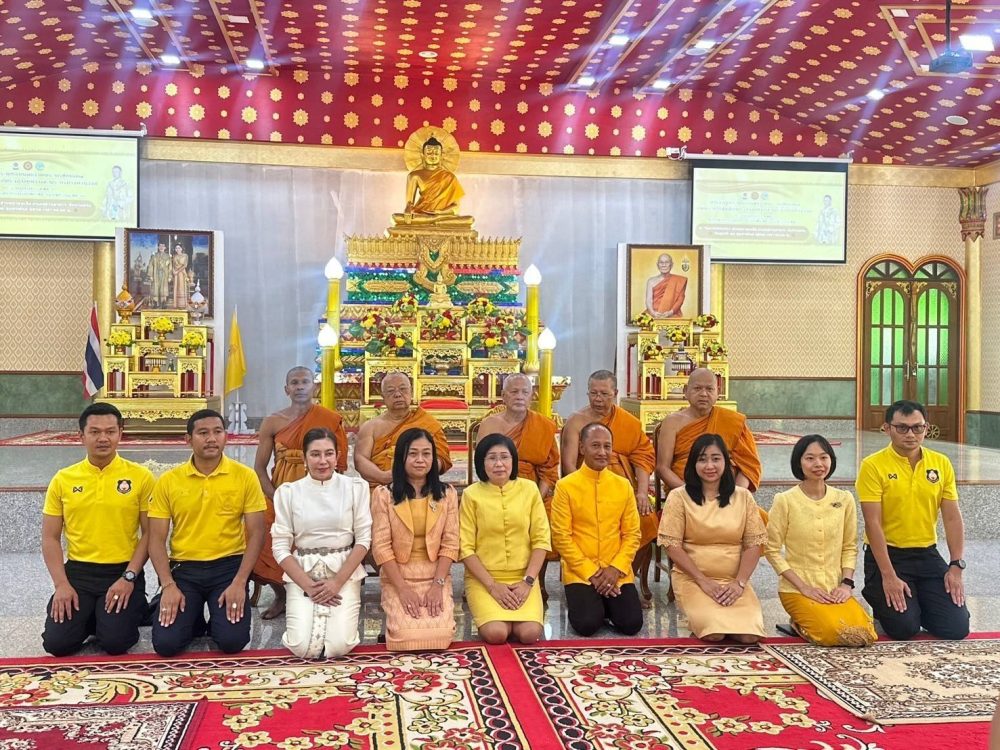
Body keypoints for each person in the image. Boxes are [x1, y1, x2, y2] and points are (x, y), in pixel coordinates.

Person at [148, 409, 266, 656]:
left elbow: (256, 533)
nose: (211, 438)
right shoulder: (169, 481)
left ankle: (213, 618)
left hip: (229, 568)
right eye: (203, 433)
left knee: (232, 641)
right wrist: (168, 585)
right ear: (188, 439)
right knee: (166, 644)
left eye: (217, 432)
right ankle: (189, 616)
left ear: (226, 436)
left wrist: (240, 582)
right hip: (184, 569)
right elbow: (156, 539)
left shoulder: (245, 476)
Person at [40, 403, 153, 656]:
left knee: (115, 643)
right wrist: (61, 585)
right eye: (95, 432)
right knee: (57, 644)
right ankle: (96, 614)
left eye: (110, 431)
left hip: (122, 571)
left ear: (120, 434)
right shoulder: (63, 479)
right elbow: (49, 538)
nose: (103, 438)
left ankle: (127, 609)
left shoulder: (141, 477)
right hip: (78, 573)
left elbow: (150, 534)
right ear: (81, 436)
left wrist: (129, 578)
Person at [856, 400, 970, 641]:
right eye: (902, 428)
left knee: (956, 628)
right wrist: (888, 576)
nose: (910, 434)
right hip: (888, 555)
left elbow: (952, 517)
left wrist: (956, 566)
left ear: (926, 428)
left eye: (917, 427)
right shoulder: (872, 465)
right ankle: (880, 596)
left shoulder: (941, 463)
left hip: (927, 554)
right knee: (904, 628)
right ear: (887, 428)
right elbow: (872, 523)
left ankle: (918, 603)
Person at [252, 366, 349, 620]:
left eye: (305, 382)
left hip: (321, 495)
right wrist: (277, 498)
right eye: (294, 383)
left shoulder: (329, 419)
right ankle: (281, 594)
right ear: (286, 389)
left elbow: (338, 466)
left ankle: (319, 589)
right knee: (259, 531)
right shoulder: (273, 422)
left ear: (314, 387)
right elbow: (259, 469)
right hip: (280, 495)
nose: (300, 387)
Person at [765, 435, 876, 646]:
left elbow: (849, 547)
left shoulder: (844, 499)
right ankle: (798, 622)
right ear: (798, 462)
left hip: (835, 589)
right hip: (796, 589)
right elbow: (771, 550)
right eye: (810, 458)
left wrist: (846, 585)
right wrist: (804, 587)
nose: (818, 464)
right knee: (834, 633)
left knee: (864, 634)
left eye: (823, 457)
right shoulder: (785, 500)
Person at [271, 428, 371, 658]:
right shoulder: (288, 492)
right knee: (301, 647)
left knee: (340, 646)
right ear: (304, 458)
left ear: (338, 456)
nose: (323, 461)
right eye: (315, 454)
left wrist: (337, 582)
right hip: (303, 572)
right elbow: (280, 547)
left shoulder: (355, 488)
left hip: (344, 570)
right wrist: (307, 585)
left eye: (329, 454)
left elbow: (364, 540)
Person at [658, 434, 767, 642]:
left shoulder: (743, 497)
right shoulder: (679, 497)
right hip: (693, 580)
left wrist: (739, 583)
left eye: (716, 458)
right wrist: (703, 581)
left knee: (750, 636)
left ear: (726, 462)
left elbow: (754, 544)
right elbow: (672, 546)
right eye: (702, 459)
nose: (709, 465)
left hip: (734, 582)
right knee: (714, 632)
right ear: (693, 464)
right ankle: (697, 617)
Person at [370, 428, 459, 651]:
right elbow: (381, 547)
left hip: (435, 576)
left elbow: (451, 543)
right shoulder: (384, 495)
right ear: (402, 457)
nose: (420, 460)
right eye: (413, 454)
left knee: (441, 635)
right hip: (399, 576)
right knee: (403, 635)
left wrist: (438, 585)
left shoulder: (447, 494)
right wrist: (402, 589)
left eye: (426, 454)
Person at [551, 423, 643, 636]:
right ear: (582, 448)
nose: (602, 452)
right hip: (581, 570)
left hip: (616, 570)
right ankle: (595, 602)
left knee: (631, 624)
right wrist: (592, 573)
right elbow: (561, 537)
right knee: (587, 625)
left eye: (607, 446)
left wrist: (615, 569)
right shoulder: (565, 486)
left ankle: (604, 602)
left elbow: (632, 534)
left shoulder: (623, 485)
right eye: (595, 445)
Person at [460, 434, 550, 644]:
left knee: (529, 634)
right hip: (484, 580)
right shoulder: (471, 494)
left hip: (523, 578)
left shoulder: (530, 489)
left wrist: (528, 582)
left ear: (513, 460)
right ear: (481, 462)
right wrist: (492, 586)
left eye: (504, 457)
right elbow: (465, 548)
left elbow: (541, 540)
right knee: (496, 633)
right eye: (492, 458)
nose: (499, 464)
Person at [477, 373, 560, 589]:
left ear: (532, 396)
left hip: (535, 491)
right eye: (514, 392)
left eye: (525, 392)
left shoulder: (543, 425)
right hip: (495, 489)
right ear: (504, 396)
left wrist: (535, 499)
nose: (519, 396)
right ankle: (488, 579)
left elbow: (549, 469)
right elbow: (482, 465)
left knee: (546, 520)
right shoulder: (490, 424)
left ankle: (537, 581)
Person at [656, 368, 761, 491]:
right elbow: (662, 468)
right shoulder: (672, 422)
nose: (704, 394)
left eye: (709, 389)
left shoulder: (732, 421)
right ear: (686, 391)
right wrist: (689, 493)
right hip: (684, 491)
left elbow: (748, 466)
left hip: (725, 493)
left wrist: (735, 495)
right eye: (697, 388)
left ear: (718, 392)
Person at [355, 373, 452, 487]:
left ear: (411, 392)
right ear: (383, 396)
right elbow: (360, 459)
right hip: (380, 488)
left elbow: (442, 458)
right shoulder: (370, 427)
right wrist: (383, 477)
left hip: (421, 487)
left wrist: (418, 472)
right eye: (390, 391)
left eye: (403, 389)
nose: (397, 394)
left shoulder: (427, 422)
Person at [392, 136, 473, 227]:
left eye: (436, 153)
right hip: (422, 214)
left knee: (470, 219)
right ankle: (434, 221)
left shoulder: (450, 177)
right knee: (396, 218)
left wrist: (440, 212)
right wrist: (408, 210)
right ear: (422, 155)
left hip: (443, 215)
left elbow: (456, 208)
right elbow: (409, 204)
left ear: (441, 156)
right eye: (429, 152)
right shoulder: (414, 176)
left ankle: (434, 220)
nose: (433, 155)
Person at [644, 253, 687, 318]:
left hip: (672, 314)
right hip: (653, 314)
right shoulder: (651, 281)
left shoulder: (679, 280)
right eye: (661, 262)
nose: (664, 265)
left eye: (667, 262)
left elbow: (680, 300)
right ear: (657, 265)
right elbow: (648, 300)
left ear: (671, 265)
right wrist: (653, 313)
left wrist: (670, 312)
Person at [149, 242, 171, 308]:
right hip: (156, 274)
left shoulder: (168, 256)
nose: (161, 247)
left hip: (164, 274)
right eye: (160, 246)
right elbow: (151, 265)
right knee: (155, 288)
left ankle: (163, 302)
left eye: (163, 246)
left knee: (163, 288)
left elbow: (170, 267)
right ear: (158, 247)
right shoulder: (154, 256)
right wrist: (151, 275)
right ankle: (155, 303)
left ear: (165, 247)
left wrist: (169, 276)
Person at [170, 243, 189, 308]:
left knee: (181, 287)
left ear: (181, 249)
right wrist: (173, 271)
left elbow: (185, 265)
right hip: (175, 274)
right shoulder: (174, 256)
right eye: (176, 248)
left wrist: (177, 271)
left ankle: (182, 304)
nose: (177, 249)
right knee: (176, 287)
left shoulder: (185, 255)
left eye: (179, 248)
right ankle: (176, 304)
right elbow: (172, 265)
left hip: (182, 273)